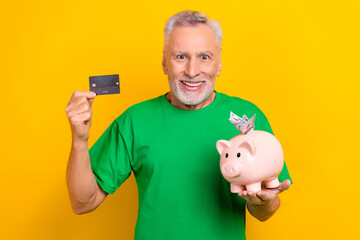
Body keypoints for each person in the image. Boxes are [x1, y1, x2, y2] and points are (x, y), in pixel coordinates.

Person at [66, 10, 292, 240]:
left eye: (204, 57)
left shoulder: (249, 118)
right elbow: (82, 202)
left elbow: (265, 212)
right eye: (181, 57)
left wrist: (263, 201)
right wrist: (79, 139)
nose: (192, 71)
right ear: (165, 63)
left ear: (219, 65)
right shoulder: (135, 120)